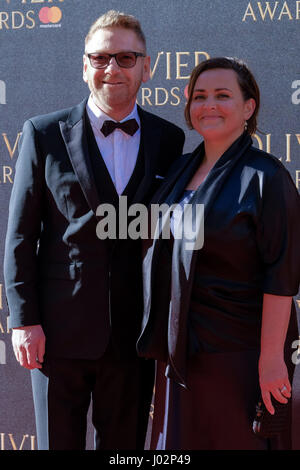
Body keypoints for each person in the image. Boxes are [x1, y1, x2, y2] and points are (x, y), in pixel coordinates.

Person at [4, 10, 185, 450]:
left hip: (134, 338)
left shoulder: (170, 139)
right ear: (85, 66)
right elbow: (21, 234)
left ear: (147, 67)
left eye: (126, 58)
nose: (112, 69)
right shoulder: (43, 133)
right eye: (101, 58)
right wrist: (24, 320)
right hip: (58, 336)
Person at [137, 57, 300, 450]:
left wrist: (271, 358)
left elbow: (281, 275)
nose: (208, 104)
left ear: (249, 107)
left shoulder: (267, 177)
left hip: (236, 356)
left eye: (222, 95)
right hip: (179, 354)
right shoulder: (176, 171)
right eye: (199, 96)